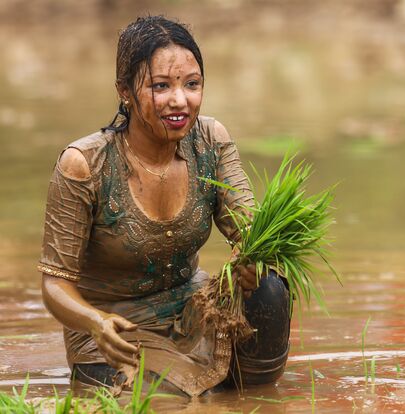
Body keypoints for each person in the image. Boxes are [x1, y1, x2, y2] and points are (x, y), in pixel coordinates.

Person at [38, 15, 290, 396]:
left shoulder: (210, 140)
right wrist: (94, 322)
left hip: (195, 312)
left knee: (271, 289)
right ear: (124, 90)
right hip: (116, 333)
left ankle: (249, 390)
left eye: (192, 84)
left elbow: (250, 226)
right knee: (161, 401)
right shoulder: (84, 164)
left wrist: (251, 257)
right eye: (160, 86)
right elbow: (55, 284)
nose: (179, 101)